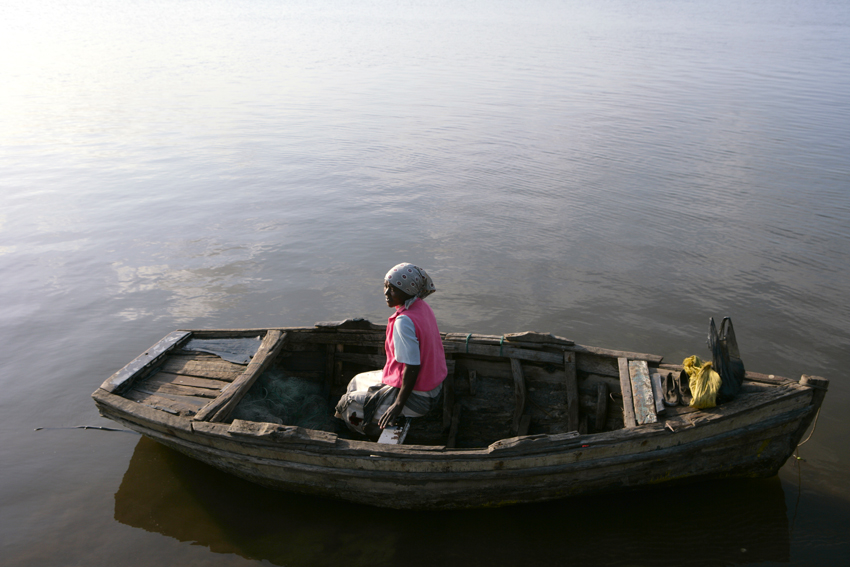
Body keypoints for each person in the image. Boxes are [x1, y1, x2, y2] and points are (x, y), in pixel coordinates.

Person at [334, 263, 447, 437]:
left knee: (347, 403)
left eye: (393, 289)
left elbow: (413, 366)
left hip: (420, 398)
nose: (386, 293)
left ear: (408, 291)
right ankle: (368, 420)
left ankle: (369, 432)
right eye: (386, 286)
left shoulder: (404, 322)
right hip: (433, 386)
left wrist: (398, 405)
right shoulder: (421, 306)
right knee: (356, 381)